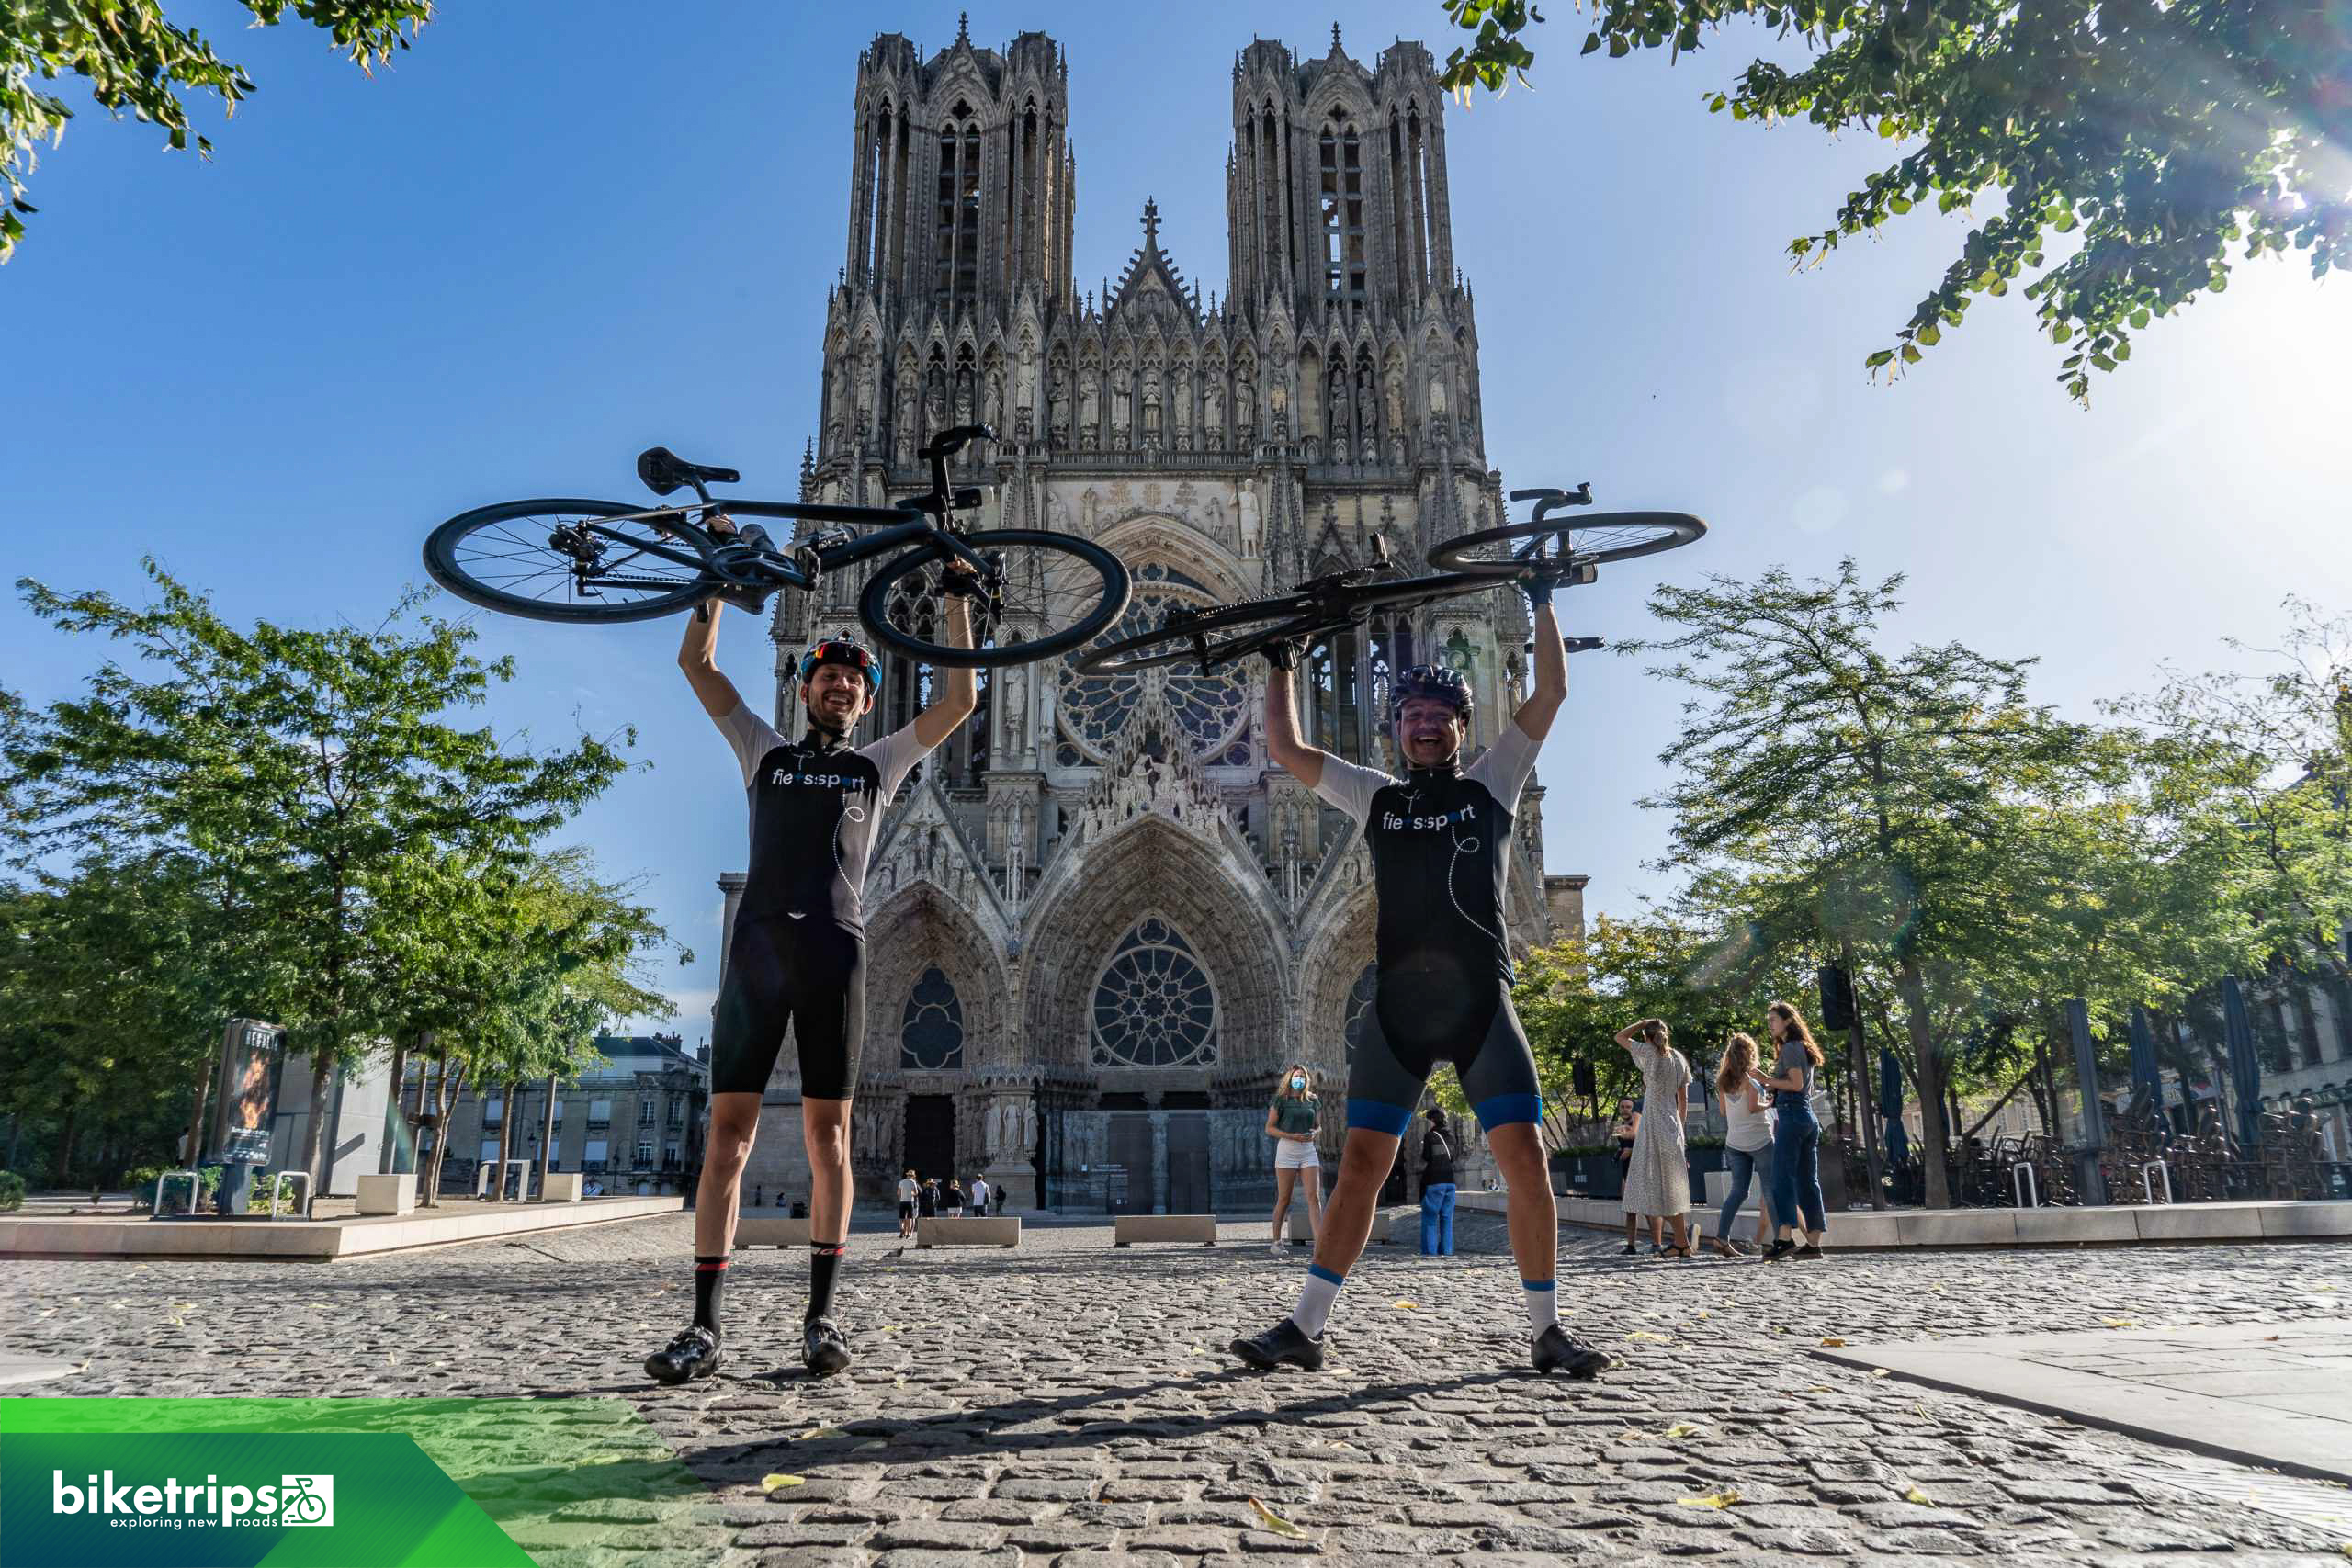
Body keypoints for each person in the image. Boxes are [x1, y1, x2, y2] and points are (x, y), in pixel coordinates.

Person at [1227, 571, 1611, 1379]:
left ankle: (1546, 1327)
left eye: (1440, 717)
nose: (1426, 727)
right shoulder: (1377, 796)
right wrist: (1280, 661)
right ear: (1395, 728)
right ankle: (1305, 1325)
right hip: (1398, 1008)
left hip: (1480, 1006)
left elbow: (1550, 690)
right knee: (1359, 1168)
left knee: (1526, 1163)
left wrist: (1542, 598)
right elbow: (1289, 751)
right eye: (1412, 717)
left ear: (1464, 727)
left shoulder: (1491, 784)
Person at [644, 559, 976, 1388]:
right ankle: (703, 1326)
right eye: (827, 677)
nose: (839, 689)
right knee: (728, 1140)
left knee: (830, 1139)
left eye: (851, 682)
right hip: (758, 953)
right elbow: (699, 668)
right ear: (807, 690)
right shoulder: (764, 751)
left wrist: (959, 598)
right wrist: (712, 585)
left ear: (866, 700)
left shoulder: (879, 765)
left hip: (835, 949)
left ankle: (821, 1315)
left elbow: (960, 701)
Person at [1614, 1019, 1696, 1258]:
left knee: (1653, 1189)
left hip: (1653, 1126)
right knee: (1671, 1187)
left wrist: (1641, 1023)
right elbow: (1684, 1099)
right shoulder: (1679, 1058)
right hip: (1672, 1126)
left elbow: (1620, 1037)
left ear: (1648, 1037)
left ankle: (1681, 1242)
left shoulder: (1649, 1053)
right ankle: (1681, 1243)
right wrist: (1681, 1130)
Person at [1760, 1000, 1828, 1259]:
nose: (1770, 1025)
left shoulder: (1790, 1048)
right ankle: (1813, 1242)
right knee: (1808, 1181)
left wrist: (1766, 1080)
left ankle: (1785, 1238)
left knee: (1781, 1179)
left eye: (1773, 1020)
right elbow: (1799, 1086)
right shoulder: (1802, 1048)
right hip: (1806, 1118)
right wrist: (1774, 1088)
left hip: (1792, 1118)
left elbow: (1797, 1084)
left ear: (1788, 1021)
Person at [1713, 1033, 1776, 1257]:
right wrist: (1768, 1103)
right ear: (1750, 1054)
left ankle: (1721, 1238)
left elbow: (1722, 1111)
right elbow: (1752, 1107)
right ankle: (1781, 1240)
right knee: (1770, 1190)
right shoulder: (1751, 1080)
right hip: (1759, 1141)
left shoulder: (1723, 1081)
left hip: (1734, 1142)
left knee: (1738, 1191)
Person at [1264, 1062, 1325, 1255]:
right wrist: (1292, 1136)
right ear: (1290, 1078)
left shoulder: (1313, 1100)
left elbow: (1319, 1125)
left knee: (1313, 1197)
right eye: (1297, 1076)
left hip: (1308, 1149)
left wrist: (1315, 1133)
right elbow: (1270, 1128)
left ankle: (1320, 1242)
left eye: (1303, 1077)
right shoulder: (1280, 1100)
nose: (1300, 1080)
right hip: (1287, 1150)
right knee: (1284, 1198)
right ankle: (1276, 1241)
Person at [1610, 1098, 1655, 1255]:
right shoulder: (1622, 1126)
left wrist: (1631, 1150)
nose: (1625, 1109)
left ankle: (1657, 1243)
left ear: (1634, 1109)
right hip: (1626, 1170)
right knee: (1629, 1209)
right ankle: (1631, 1246)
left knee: (1647, 1208)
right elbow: (1622, 1139)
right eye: (1622, 1106)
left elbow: (1641, 1141)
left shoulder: (1639, 1122)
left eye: (1628, 1107)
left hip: (1641, 1169)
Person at [1419, 1106, 1458, 1256]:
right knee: (1447, 1219)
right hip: (1450, 1181)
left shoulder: (1430, 1136)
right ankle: (1447, 1251)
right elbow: (1453, 1158)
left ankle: (1430, 1252)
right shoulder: (1452, 1136)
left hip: (1434, 1181)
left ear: (1433, 1120)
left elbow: (1427, 1157)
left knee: (1430, 1219)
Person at [897, 1169, 919, 1239]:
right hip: (910, 1202)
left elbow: (898, 1193)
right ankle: (908, 1235)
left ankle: (902, 1228)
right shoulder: (913, 1182)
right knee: (910, 1218)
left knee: (902, 1218)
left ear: (907, 1175)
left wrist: (901, 1198)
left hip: (902, 1202)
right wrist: (912, 1194)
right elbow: (916, 1193)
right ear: (913, 1176)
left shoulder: (901, 1182)